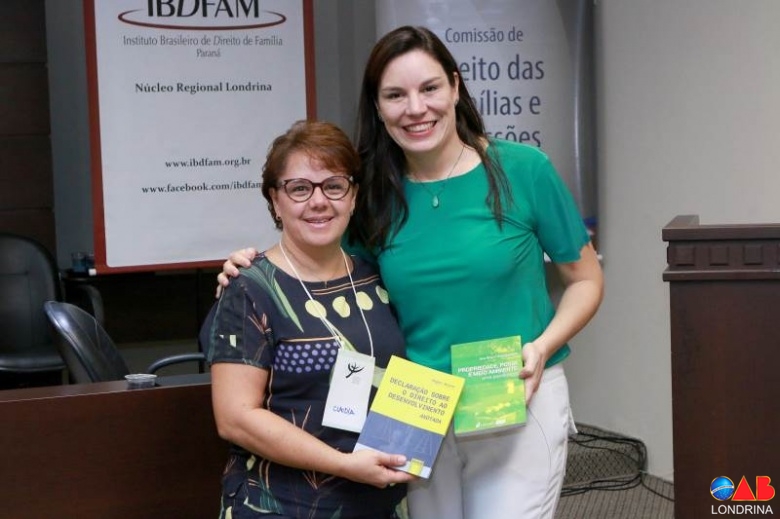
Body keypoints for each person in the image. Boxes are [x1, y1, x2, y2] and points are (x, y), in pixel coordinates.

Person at [217, 26, 604, 519]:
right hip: (416, 407)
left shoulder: (523, 170)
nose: (415, 108)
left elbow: (585, 279)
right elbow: (325, 265)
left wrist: (544, 346)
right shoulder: (373, 191)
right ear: (378, 107)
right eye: (395, 95)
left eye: (429, 88)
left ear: (455, 87)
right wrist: (250, 269)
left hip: (515, 396)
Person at [202, 120, 415, 519]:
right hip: (282, 505)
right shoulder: (249, 289)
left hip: (380, 502)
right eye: (300, 188)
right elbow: (235, 419)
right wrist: (344, 465)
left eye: (334, 186)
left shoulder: (377, 277)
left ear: (353, 196)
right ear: (275, 200)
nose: (319, 201)